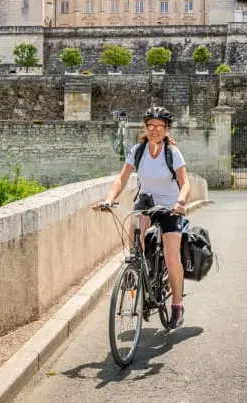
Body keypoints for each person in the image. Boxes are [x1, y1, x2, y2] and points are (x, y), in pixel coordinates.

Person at [93, 105, 192, 328]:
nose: (155, 130)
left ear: (166, 130)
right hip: (146, 202)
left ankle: (177, 305)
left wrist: (180, 202)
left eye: (160, 126)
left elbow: (185, 183)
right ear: (145, 128)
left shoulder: (172, 153)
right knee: (133, 234)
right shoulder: (137, 150)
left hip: (169, 206)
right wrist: (109, 199)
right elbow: (122, 178)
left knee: (171, 256)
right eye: (151, 126)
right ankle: (138, 270)